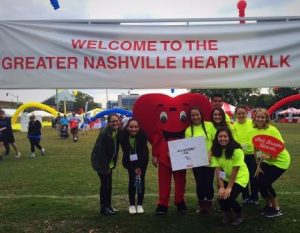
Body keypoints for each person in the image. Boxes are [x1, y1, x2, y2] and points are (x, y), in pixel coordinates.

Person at [250, 108, 290, 218]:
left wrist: (269, 156)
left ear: (266, 119)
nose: (260, 119)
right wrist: (258, 165)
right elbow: (256, 149)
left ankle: (277, 209)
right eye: (258, 117)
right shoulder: (253, 130)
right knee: (258, 181)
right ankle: (268, 206)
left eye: (263, 117)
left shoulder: (272, 130)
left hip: (280, 162)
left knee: (265, 183)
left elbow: (281, 147)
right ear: (254, 117)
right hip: (267, 161)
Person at [211, 127, 249, 225]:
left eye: (225, 136)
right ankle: (227, 213)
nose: (223, 138)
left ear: (230, 137)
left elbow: (235, 171)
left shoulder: (237, 150)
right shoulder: (215, 150)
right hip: (227, 176)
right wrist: (222, 186)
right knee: (221, 197)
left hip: (240, 177)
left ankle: (239, 213)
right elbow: (218, 169)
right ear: (217, 138)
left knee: (229, 197)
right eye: (220, 136)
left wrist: (228, 188)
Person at [185, 107, 214, 214]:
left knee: (209, 183)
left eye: (197, 115)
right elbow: (188, 147)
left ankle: (209, 202)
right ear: (190, 117)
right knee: (200, 182)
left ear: (201, 115)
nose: (195, 117)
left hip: (210, 160)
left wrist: (209, 154)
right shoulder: (188, 130)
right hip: (197, 161)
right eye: (193, 115)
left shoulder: (209, 125)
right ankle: (201, 203)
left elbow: (215, 141)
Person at [91, 114, 120, 216]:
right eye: (113, 121)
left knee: (109, 184)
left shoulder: (115, 131)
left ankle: (109, 205)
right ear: (108, 123)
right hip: (102, 163)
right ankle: (104, 207)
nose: (115, 123)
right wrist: (105, 167)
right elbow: (100, 152)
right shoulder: (104, 133)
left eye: (116, 121)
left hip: (109, 163)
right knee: (105, 185)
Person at [119, 118, 149, 214]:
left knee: (140, 180)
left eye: (136, 127)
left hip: (142, 162)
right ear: (127, 127)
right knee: (132, 180)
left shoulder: (143, 136)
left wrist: (139, 167)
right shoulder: (123, 137)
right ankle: (132, 205)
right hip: (130, 162)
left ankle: (140, 204)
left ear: (139, 128)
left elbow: (143, 153)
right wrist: (134, 167)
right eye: (131, 127)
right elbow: (127, 153)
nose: (133, 129)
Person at [233, 106, 258, 206]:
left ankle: (254, 197)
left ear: (246, 113)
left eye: (243, 113)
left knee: (253, 177)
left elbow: (257, 136)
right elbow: (234, 140)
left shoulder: (252, 123)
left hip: (252, 155)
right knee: (243, 177)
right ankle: (245, 197)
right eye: (239, 113)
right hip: (241, 156)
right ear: (236, 115)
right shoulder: (234, 126)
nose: (241, 115)